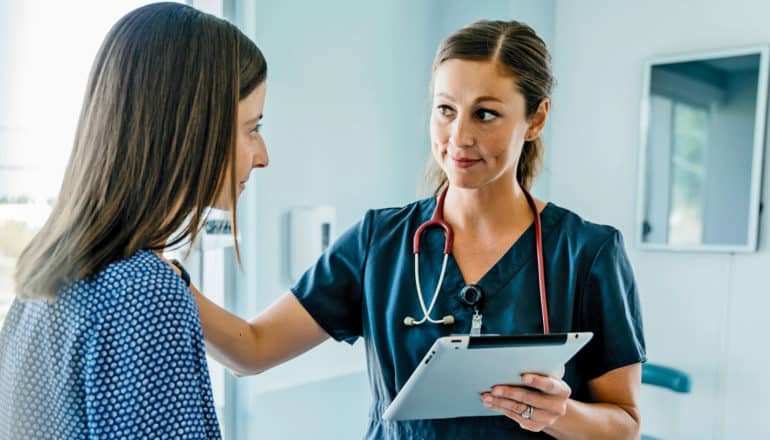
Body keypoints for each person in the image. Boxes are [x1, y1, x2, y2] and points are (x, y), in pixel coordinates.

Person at [192, 20, 645, 439]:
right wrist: (167, 275)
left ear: (536, 118)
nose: (459, 136)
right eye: (446, 109)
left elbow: (624, 426)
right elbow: (251, 350)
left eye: (485, 114)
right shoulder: (379, 242)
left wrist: (560, 414)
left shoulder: (587, 252)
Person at [0, 3, 269, 438]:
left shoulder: (42, 279)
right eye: (251, 129)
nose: (262, 157)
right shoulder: (146, 296)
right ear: (192, 128)